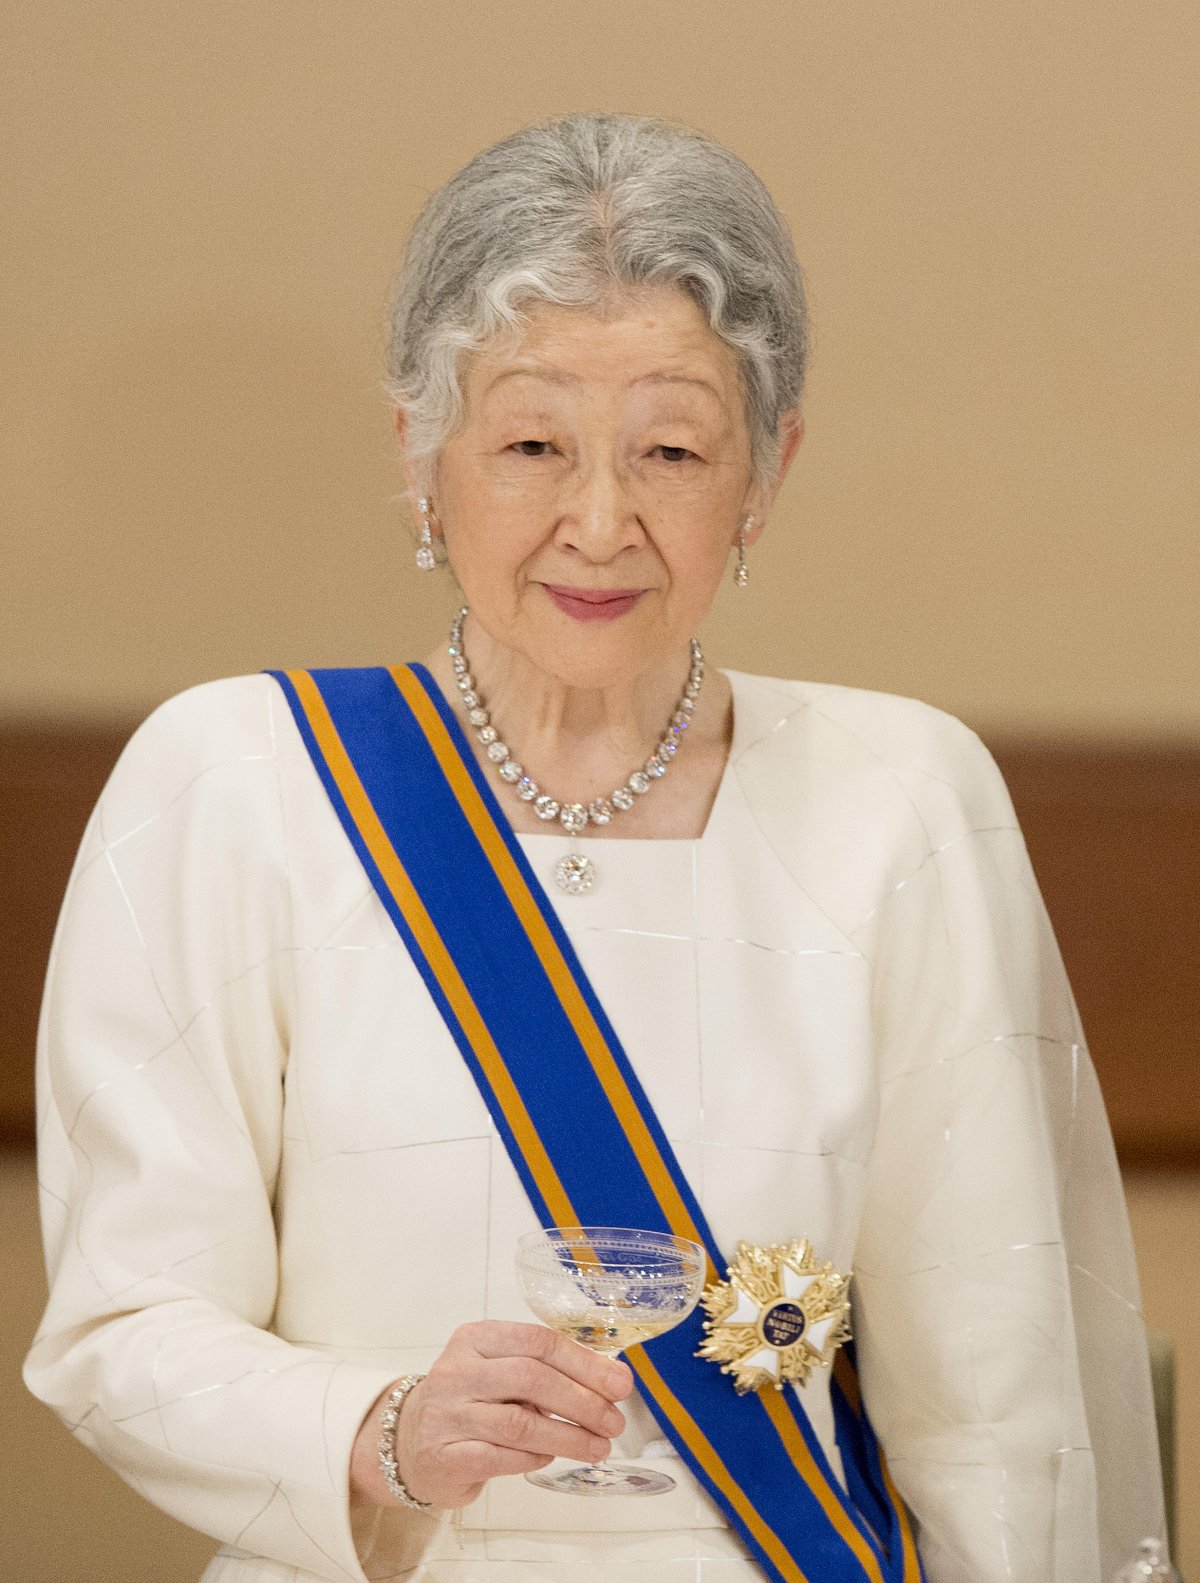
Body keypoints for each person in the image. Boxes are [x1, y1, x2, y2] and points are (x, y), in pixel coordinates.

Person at [25, 112, 1165, 1583]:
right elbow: (126, 1322)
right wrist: (378, 1428)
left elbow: (998, 1400)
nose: (601, 521)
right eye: (532, 445)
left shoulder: (902, 796)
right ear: (420, 451)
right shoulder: (233, 785)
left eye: (672, 450)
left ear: (768, 471)